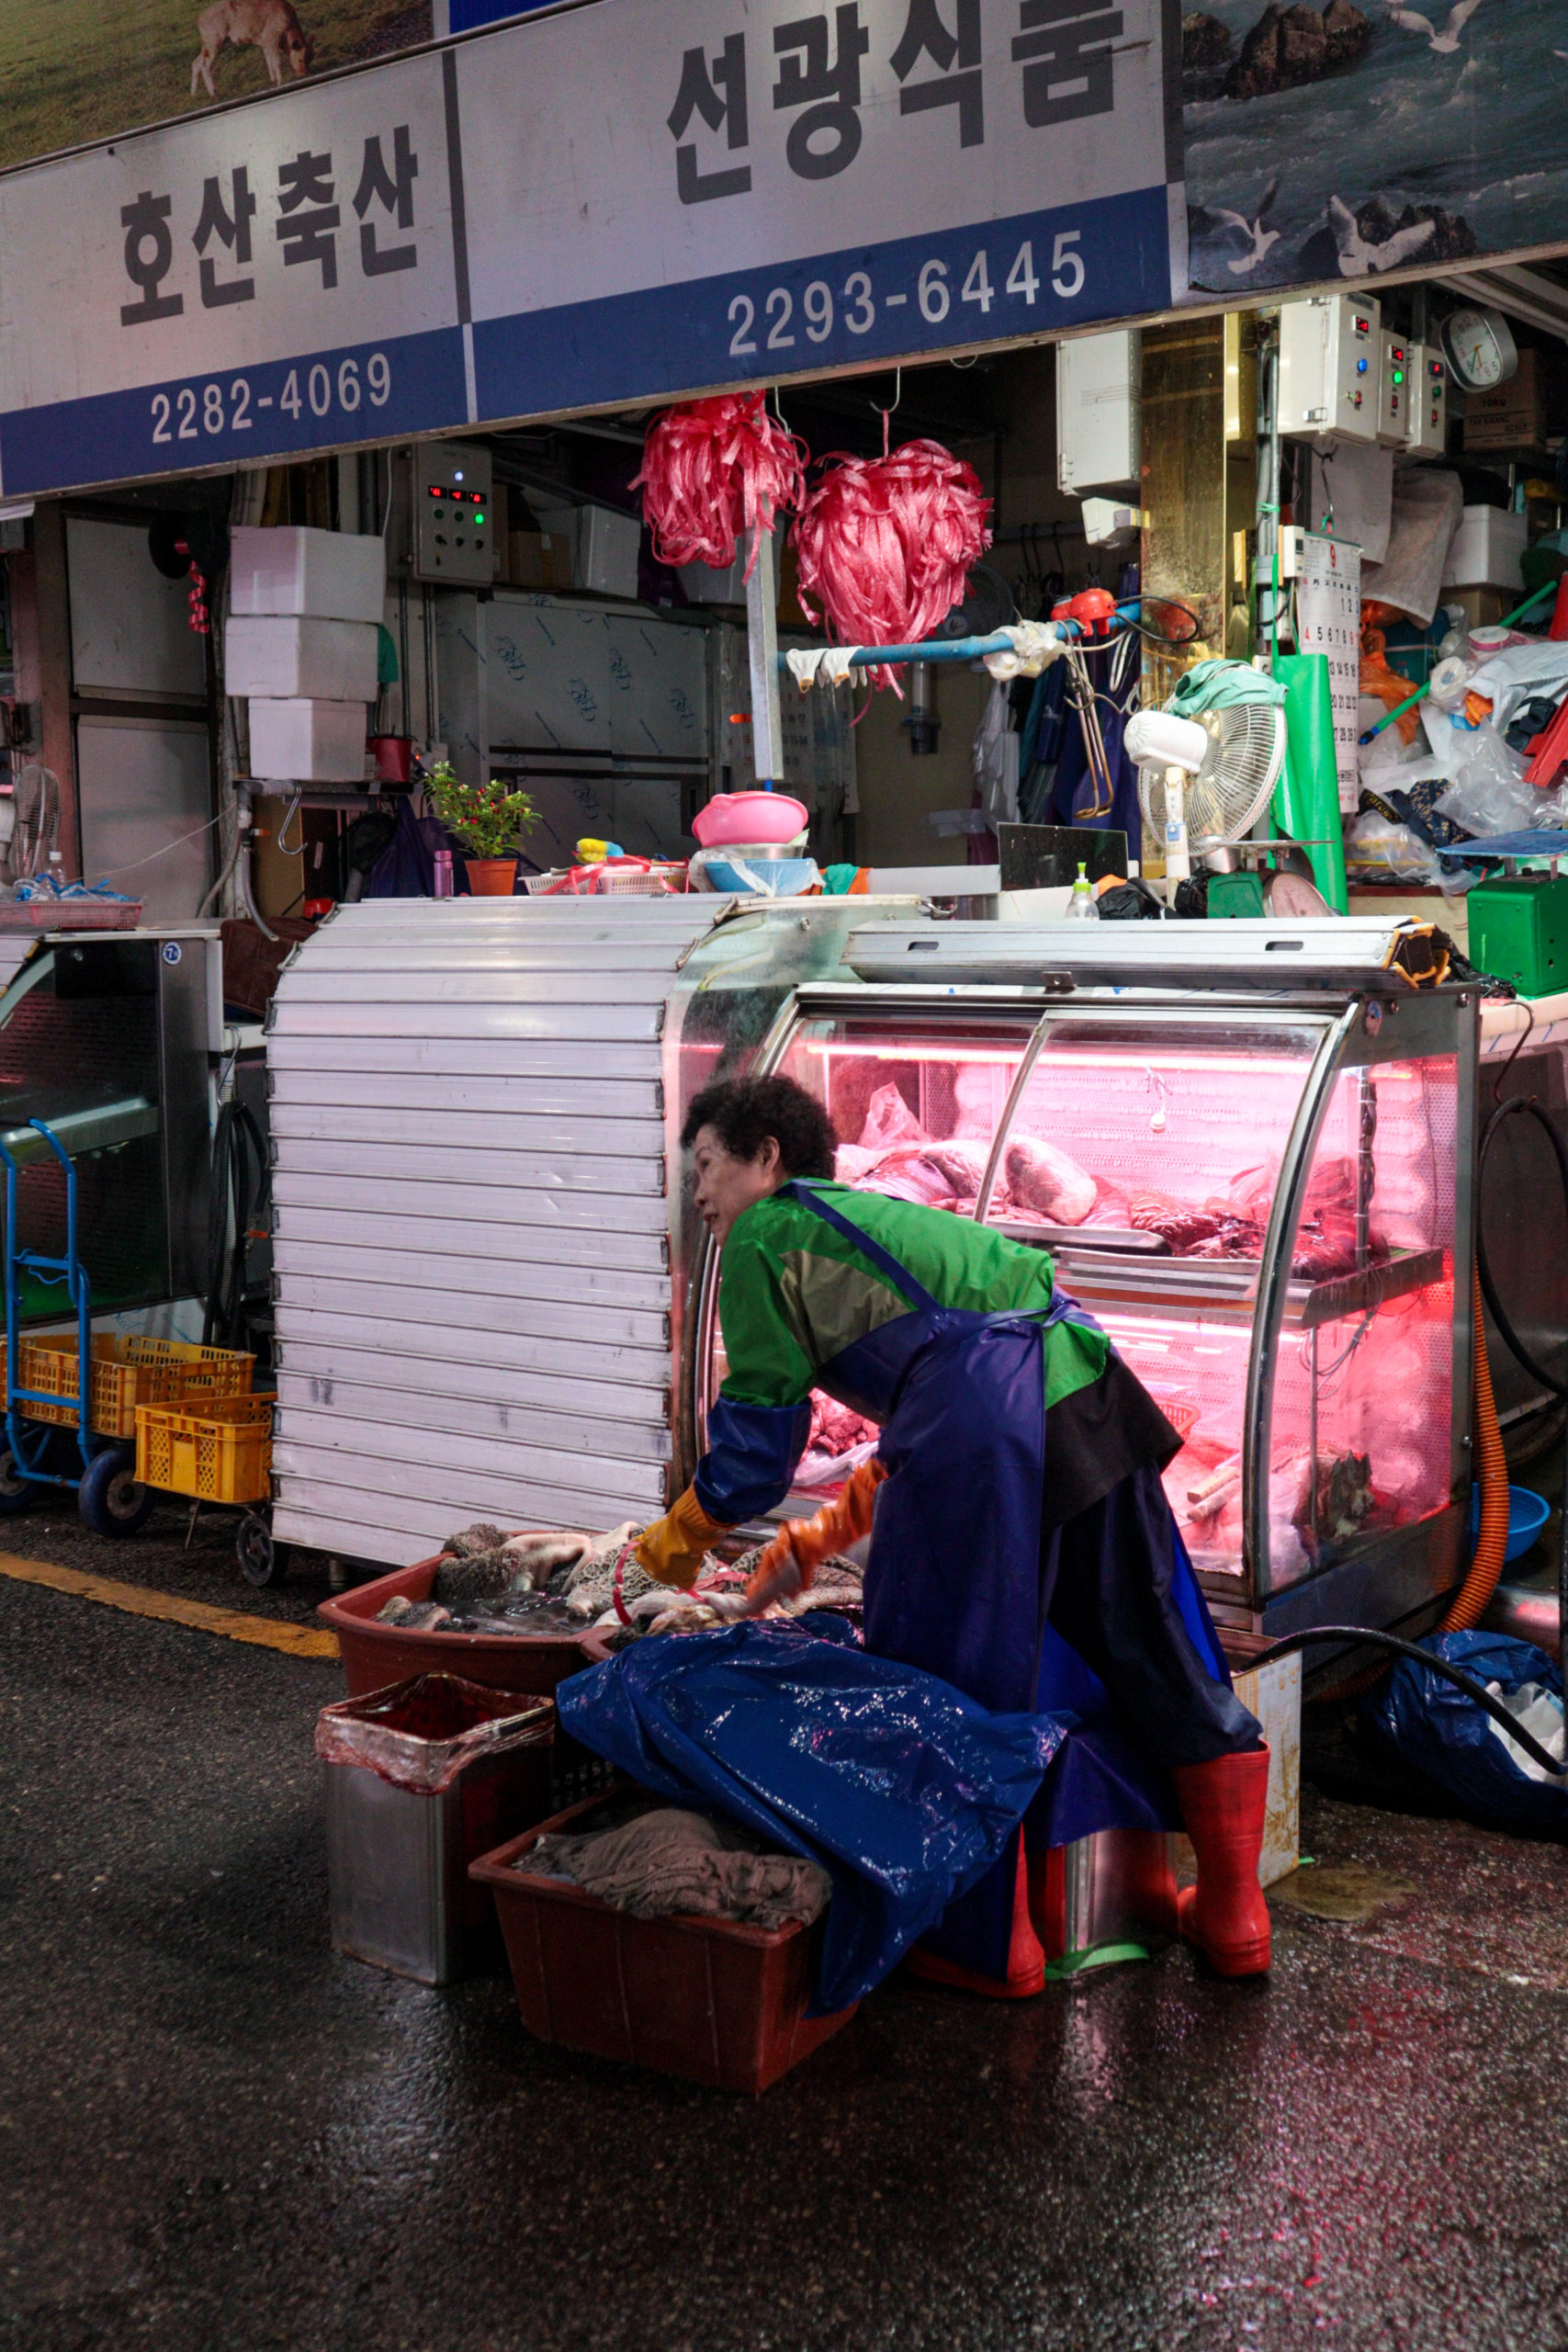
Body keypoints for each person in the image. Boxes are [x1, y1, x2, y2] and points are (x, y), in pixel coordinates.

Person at [632, 1072, 1271, 1990]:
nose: (696, 1196)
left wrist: (685, 1529)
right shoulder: (868, 1217)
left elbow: (761, 1443)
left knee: (943, 1671)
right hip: (1078, 1371)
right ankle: (1235, 1916)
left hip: (983, 1410)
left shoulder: (769, 1232)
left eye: (704, 1168)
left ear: (766, 1158)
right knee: (1148, 1639)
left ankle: (990, 1945)